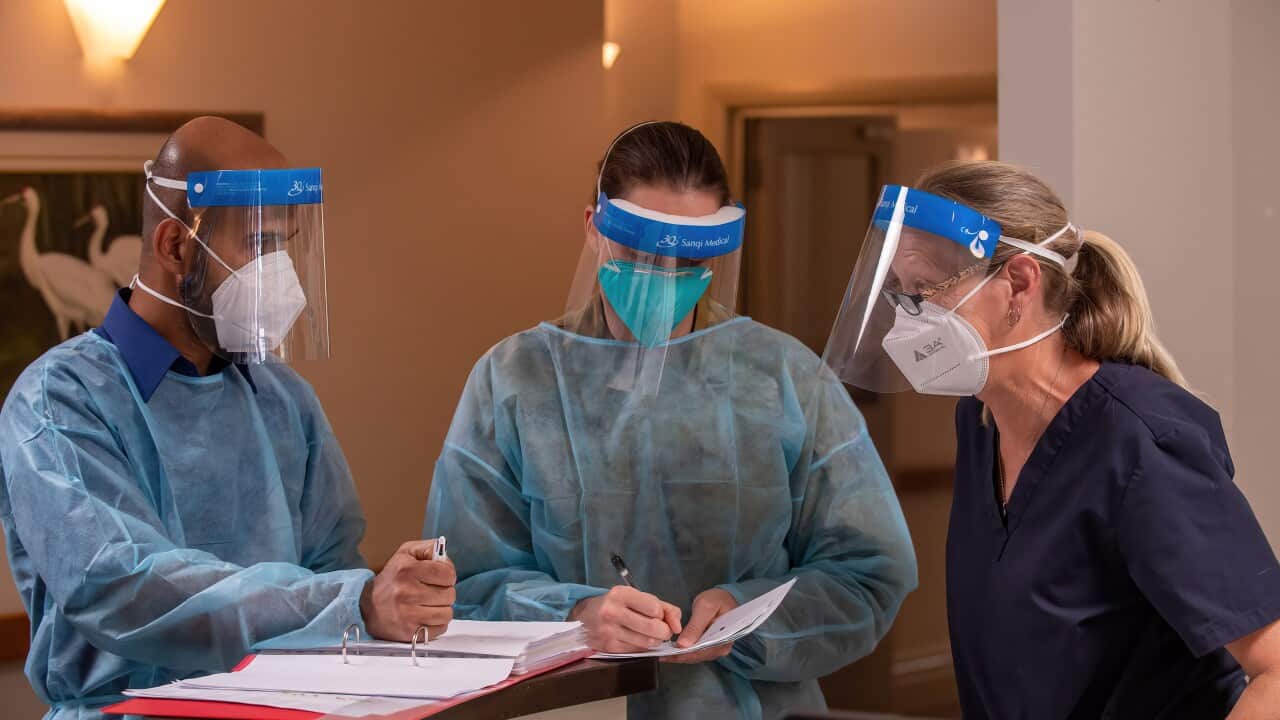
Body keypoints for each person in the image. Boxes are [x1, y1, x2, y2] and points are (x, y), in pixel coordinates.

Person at [425, 121, 917, 719]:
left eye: (688, 258)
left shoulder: (783, 377)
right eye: (641, 252)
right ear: (594, 229)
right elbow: (465, 583)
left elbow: (868, 572)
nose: (663, 274)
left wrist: (746, 615)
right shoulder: (516, 378)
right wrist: (576, 617)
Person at [0, 117, 454, 720]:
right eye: (260, 245)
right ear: (175, 246)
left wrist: (380, 606)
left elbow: (330, 564)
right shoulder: (59, 401)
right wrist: (356, 603)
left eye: (285, 247)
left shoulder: (282, 399)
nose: (280, 276)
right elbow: (122, 587)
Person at [822, 161, 1280, 718]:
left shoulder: (1139, 440)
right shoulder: (980, 422)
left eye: (927, 288)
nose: (908, 318)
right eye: (901, 292)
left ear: (1019, 282)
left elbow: (1275, 670)